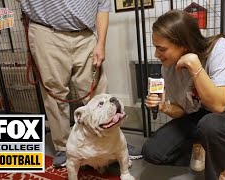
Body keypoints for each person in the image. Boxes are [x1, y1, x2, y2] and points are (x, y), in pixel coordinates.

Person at [19, 0, 142, 168]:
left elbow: (102, 7)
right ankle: (63, 148)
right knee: (55, 95)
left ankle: (116, 142)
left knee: (98, 92)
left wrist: (101, 43)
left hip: (86, 34)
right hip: (46, 32)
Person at [142, 10, 225, 180]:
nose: (156, 54)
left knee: (211, 124)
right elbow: (182, 110)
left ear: (183, 44)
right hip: (198, 116)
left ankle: (218, 171)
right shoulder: (167, 68)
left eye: (161, 49)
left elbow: (218, 105)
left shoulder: (219, 48)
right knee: (152, 152)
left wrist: (194, 64)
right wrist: (163, 106)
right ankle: (206, 148)